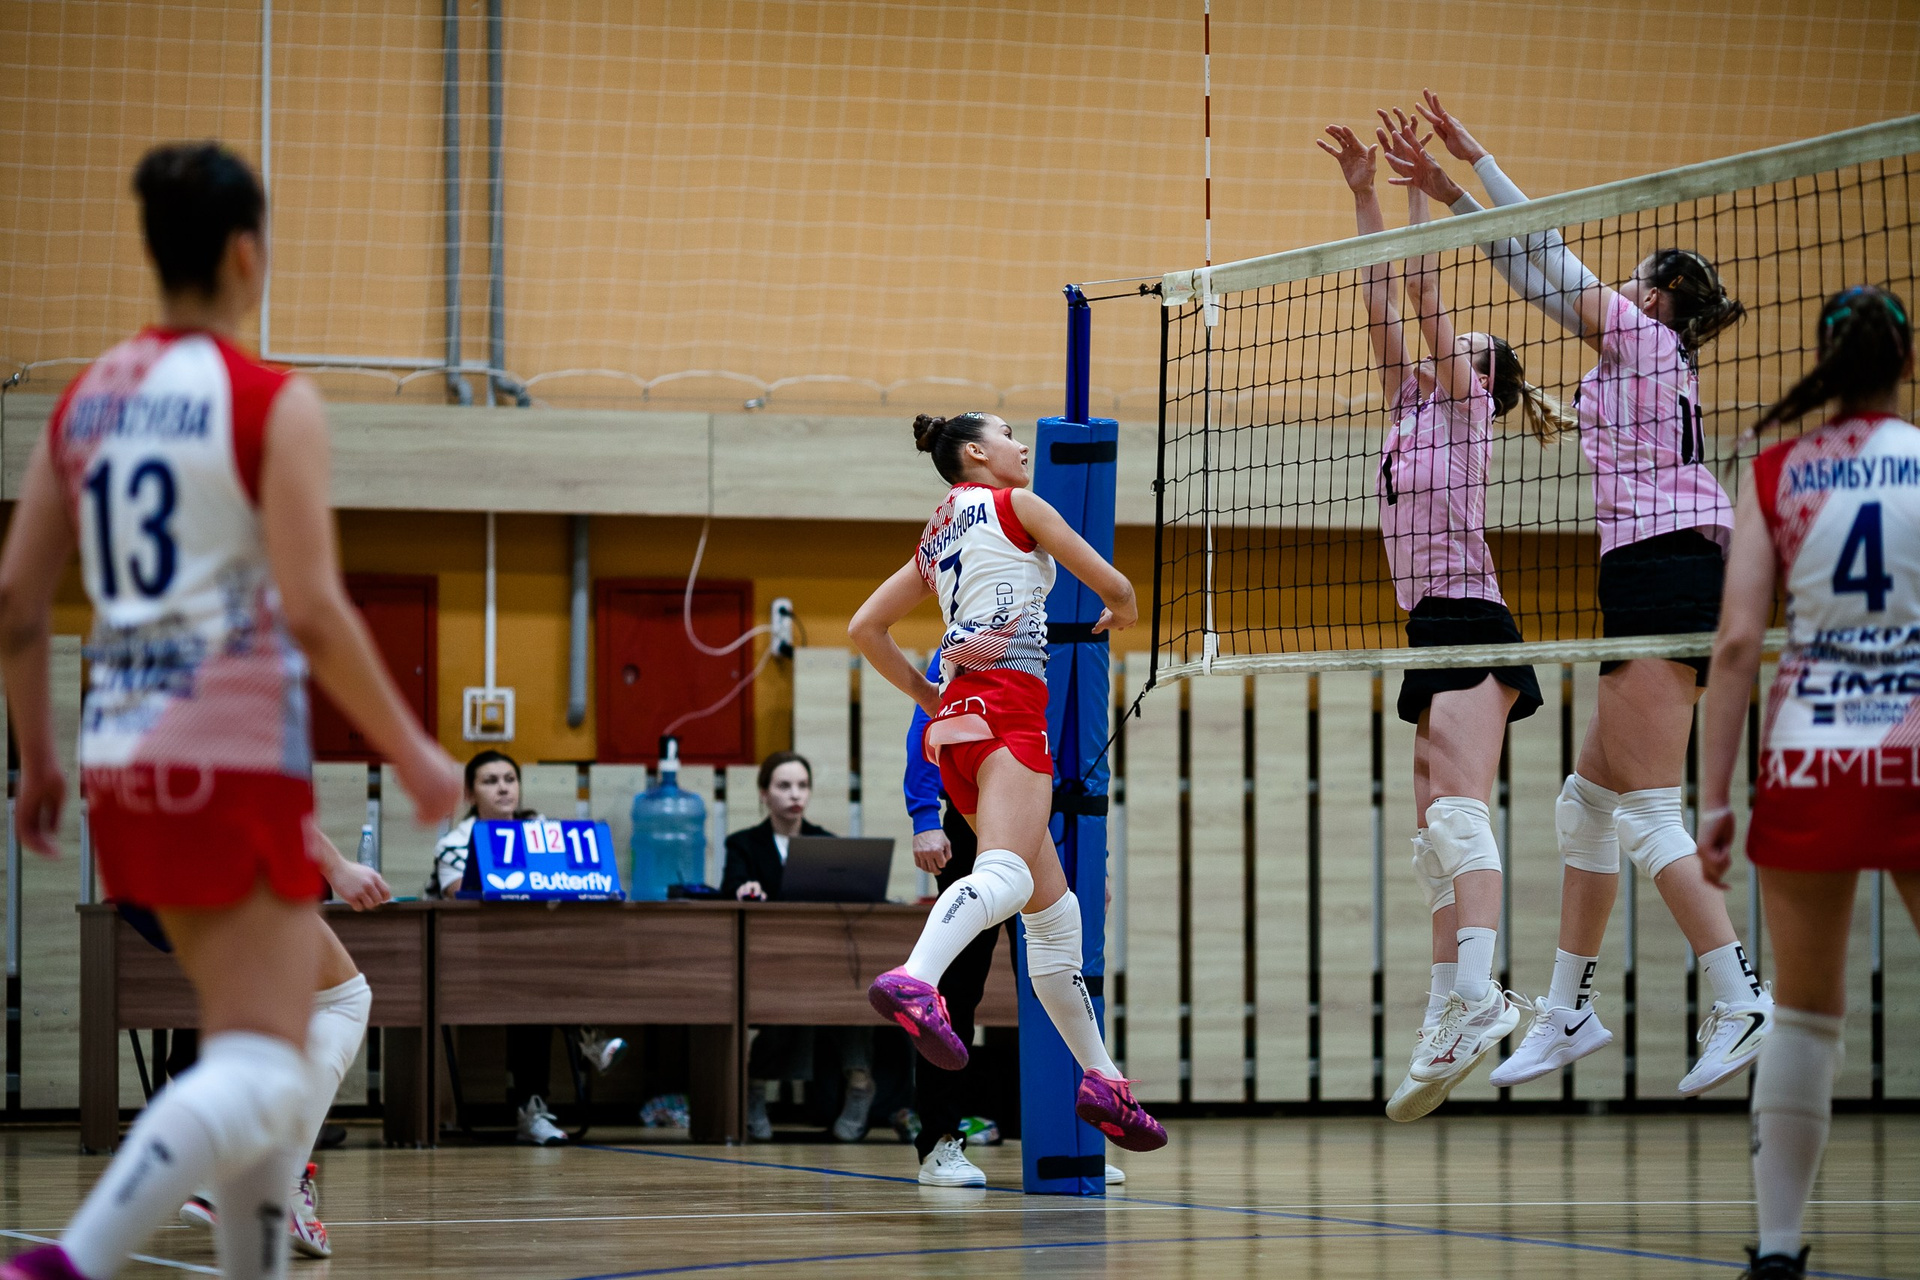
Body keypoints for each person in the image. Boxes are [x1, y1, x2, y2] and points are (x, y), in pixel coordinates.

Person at [0, 142, 460, 1280]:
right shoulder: (269, 401)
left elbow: (16, 602)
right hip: (231, 758)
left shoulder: (86, 400)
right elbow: (314, 610)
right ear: (249, 254)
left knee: (265, 1046)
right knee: (270, 1053)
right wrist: (412, 751)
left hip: (118, 761)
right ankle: (75, 1254)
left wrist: (38, 758)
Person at [1385, 93, 1772, 1095]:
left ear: (1660, 296)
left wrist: (1469, 172)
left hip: (1665, 566)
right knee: (1586, 802)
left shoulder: (1641, 339)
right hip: (1660, 566)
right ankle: (1566, 1011)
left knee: (1644, 810)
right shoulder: (1645, 355)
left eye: (1634, 276)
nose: (1618, 284)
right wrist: (1458, 185)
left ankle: (1739, 995)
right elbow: (1534, 261)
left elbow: (1539, 257)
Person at [1321, 121, 1558, 1120]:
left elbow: (1423, 294)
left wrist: (1424, 193)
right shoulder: (1409, 408)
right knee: (1432, 838)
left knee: (1460, 815)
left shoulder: (1463, 408)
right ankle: (1445, 1009)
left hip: (1473, 617)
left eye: (1467, 347)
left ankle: (1481, 992)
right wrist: (1363, 195)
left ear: (1485, 379)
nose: (1448, 347)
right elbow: (1383, 296)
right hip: (1428, 625)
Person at [851, 410, 1166, 1153]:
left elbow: (865, 627)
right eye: (1007, 435)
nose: (1022, 446)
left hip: (956, 728)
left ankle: (1102, 1079)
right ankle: (916, 977)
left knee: (1053, 918)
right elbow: (1115, 584)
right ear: (975, 453)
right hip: (1009, 713)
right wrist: (1123, 610)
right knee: (1003, 876)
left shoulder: (935, 534)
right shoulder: (1017, 504)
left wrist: (928, 696)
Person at [1698, 286, 1918, 1280]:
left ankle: (1780, 1247)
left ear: (1825, 364)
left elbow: (1737, 643)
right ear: (1905, 362)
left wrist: (1713, 799)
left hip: (1809, 752)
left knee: (1804, 1009)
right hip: (1914, 746)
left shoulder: (1777, 469)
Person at [901, 650, 1126, 1186]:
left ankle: (1071, 1144)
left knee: (1061, 981)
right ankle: (940, 1142)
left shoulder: (1069, 646)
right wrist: (924, 815)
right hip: (972, 813)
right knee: (957, 988)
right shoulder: (972, 634)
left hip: (1043, 819)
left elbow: (1080, 760)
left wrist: (1095, 861)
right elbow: (927, 721)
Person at [175, 825, 392, 1260]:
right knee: (344, 1000)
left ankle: (231, 1181)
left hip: (170, 871)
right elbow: (266, 807)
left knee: (268, 1027)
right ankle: (271, 1183)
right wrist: (338, 867)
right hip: (236, 866)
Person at [428, 749, 625, 1146]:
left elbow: (566, 884)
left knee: (538, 975)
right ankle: (588, 1038)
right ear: (470, 794)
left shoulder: (540, 830)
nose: (503, 788)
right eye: (490, 781)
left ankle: (534, 1108)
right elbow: (460, 896)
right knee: (533, 978)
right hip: (472, 957)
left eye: (510, 779)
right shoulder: (455, 842)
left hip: (530, 954)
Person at [722, 751, 879, 1143]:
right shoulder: (743, 844)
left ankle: (860, 1083)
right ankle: (755, 1087)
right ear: (764, 793)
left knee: (853, 991)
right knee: (783, 995)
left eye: (802, 786)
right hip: (770, 959)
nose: (795, 794)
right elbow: (731, 888)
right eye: (784, 786)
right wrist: (744, 889)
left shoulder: (826, 843)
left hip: (824, 956)